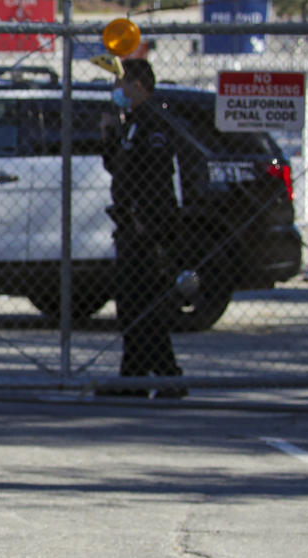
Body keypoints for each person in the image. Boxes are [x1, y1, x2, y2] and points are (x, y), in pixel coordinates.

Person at [99, 58, 186, 399]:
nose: (117, 91)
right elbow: (120, 167)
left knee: (146, 304)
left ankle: (168, 376)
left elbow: (153, 176)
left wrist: (142, 219)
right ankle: (133, 376)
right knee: (130, 304)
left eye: (121, 84)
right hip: (132, 227)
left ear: (138, 86)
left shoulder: (154, 124)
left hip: (149, 229)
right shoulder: (133, 123)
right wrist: (109, 136)